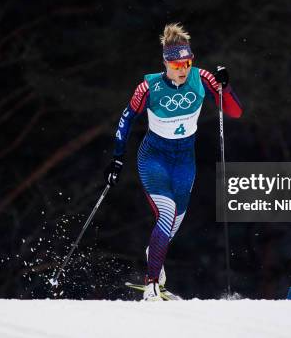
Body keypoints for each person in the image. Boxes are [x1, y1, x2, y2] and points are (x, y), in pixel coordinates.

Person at [104, 23, 243, 301]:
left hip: (184, 162)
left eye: (188, 62)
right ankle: (151, 285)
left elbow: (235, 112)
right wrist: (117, 157)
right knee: (165, 216)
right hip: (154, 158)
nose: (183, 69)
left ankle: (154, 256)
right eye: (178, 63)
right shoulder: (149, 87)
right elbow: (126, 119)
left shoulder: (202, 78)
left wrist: (225, 88)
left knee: (173, 223)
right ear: (166, 63)